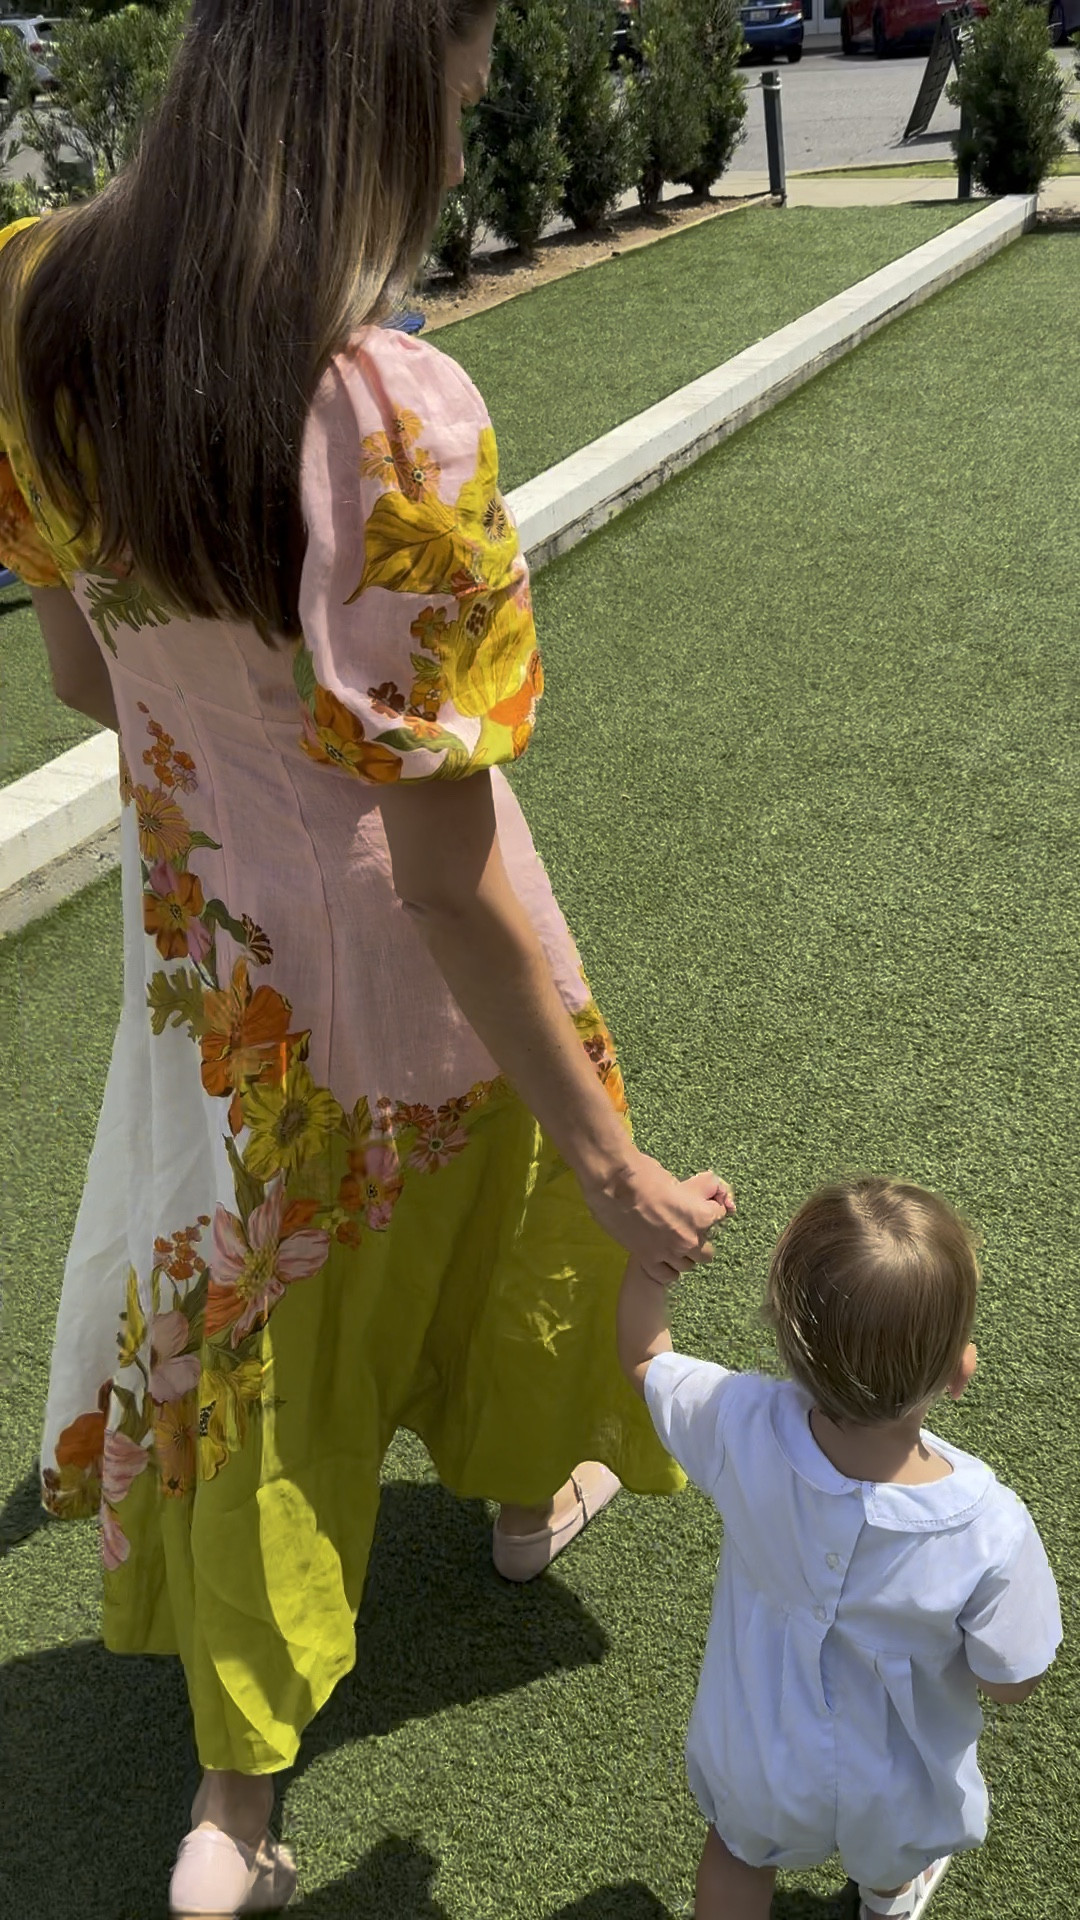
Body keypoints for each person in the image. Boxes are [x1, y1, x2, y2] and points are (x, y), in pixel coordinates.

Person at [0, 3, 733, 1912]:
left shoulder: (31, 306)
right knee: (521, 1198)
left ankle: (231, 1804)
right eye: (468, 63)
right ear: (382, 83)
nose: (483, 100)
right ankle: (516, 1508)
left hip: (211, 959)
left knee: (261, 1342)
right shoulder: (390, 409)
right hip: (398, 956)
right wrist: (618, 1164)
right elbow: (443, 850)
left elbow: (83, 666)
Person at [617, 1177, 1062, 1920]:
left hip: (758, 1755)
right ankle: (887, 1901)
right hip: (901, 1782)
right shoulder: (992, 1525)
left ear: (793, 1353)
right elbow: (1012, 1680)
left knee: (735, 1856)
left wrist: (648, 1263)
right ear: (961, 1369)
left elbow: (643, 1359)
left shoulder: (740, 1423)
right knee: (894, 1861)